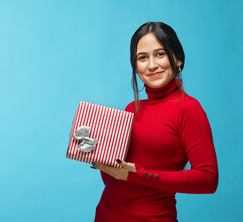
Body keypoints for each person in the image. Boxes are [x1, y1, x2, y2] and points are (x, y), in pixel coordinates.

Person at [91, 22, 219, 222]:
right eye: (142, 57)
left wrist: (137, 174)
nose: (151, 65)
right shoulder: (130, 109)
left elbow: (208, 179)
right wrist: (97, 154)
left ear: (178, 59)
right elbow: (114, 177)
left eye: (160, 54)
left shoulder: (189, 109)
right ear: (135, 66)